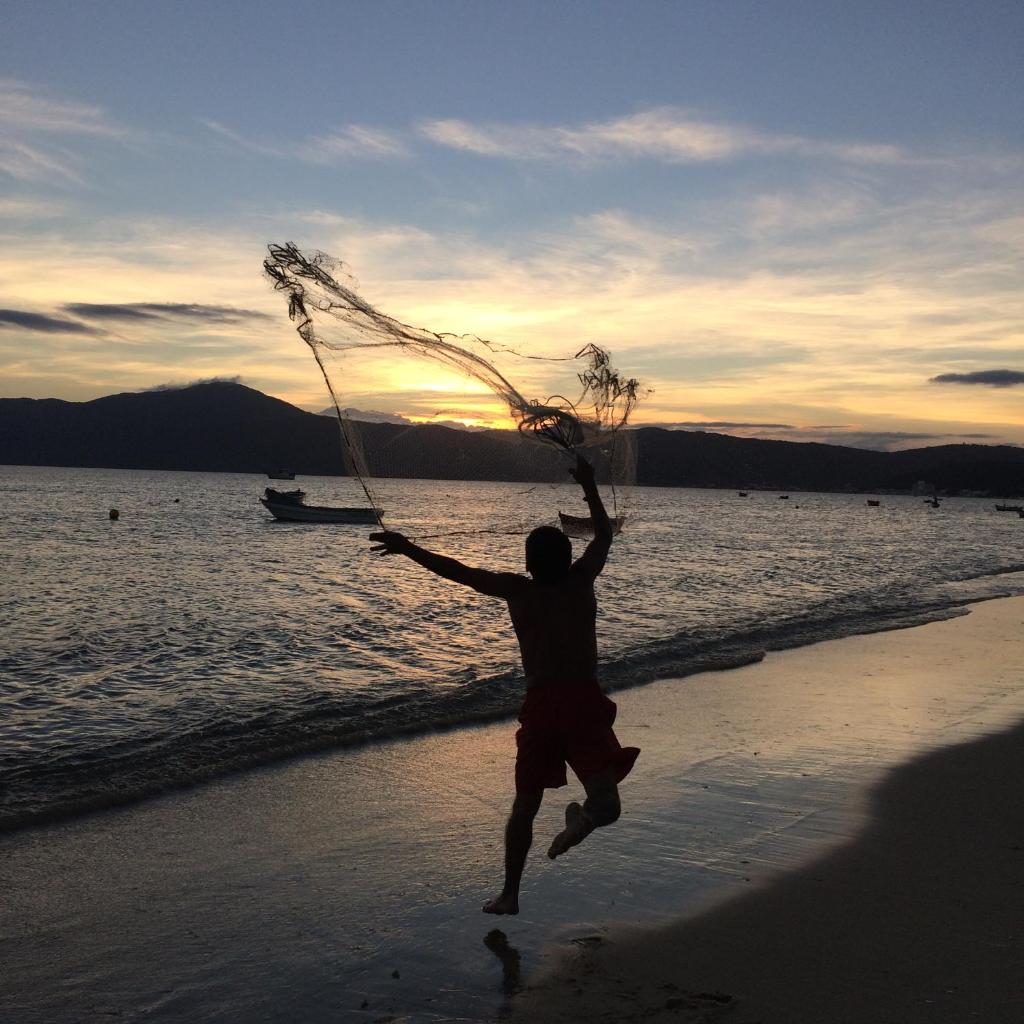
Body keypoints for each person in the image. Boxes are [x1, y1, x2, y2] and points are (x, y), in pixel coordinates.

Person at [369, 455, 639, 915]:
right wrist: (590, 485)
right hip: (582, 702)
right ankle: (584, 822)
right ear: (568, 558)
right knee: (607, 804)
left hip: (541, 706)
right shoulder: (581, 581)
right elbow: (604, 535)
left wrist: (408, 547)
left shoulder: (518, 590)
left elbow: (457, 571)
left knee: (525, 806)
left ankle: (510, 894)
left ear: (528, 563)